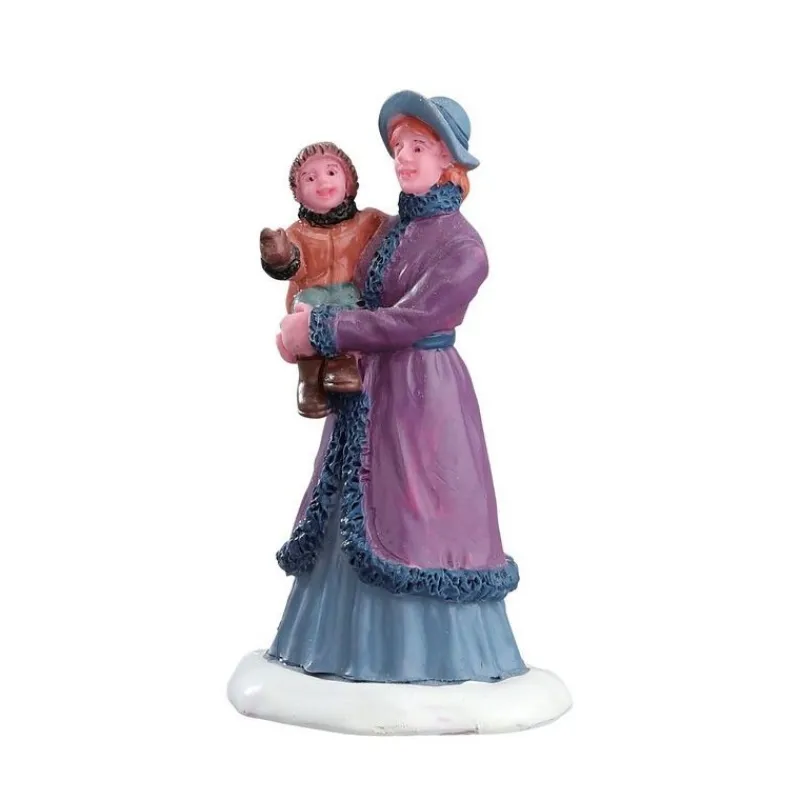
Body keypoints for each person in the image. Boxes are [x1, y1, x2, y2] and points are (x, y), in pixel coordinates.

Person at [269, 91, 525, 683]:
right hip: (367, 384)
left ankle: (428, 658)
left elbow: (412, 320)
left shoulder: (463, 247)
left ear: (447, 161)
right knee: (353, 505)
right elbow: (343, 276)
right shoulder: (386, 230)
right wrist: (303, 316)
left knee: (417, 515)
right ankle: (339, 646)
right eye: (398, 148)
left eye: (417, 147)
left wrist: (323, 329)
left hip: (422, 397)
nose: (402, 159)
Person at [260, 142, 385, 418]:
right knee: (304, 320)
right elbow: (291, 265)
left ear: (348, 181)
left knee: (351, 315)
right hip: (311, 298)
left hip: (351, 299)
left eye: (331, 172)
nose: (323, 183)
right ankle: (309, 377)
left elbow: (396, 234)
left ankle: (344, 364)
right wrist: (278, 254)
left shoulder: (369, 221)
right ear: (298, 192)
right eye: (310, 178)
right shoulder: (297, 233)